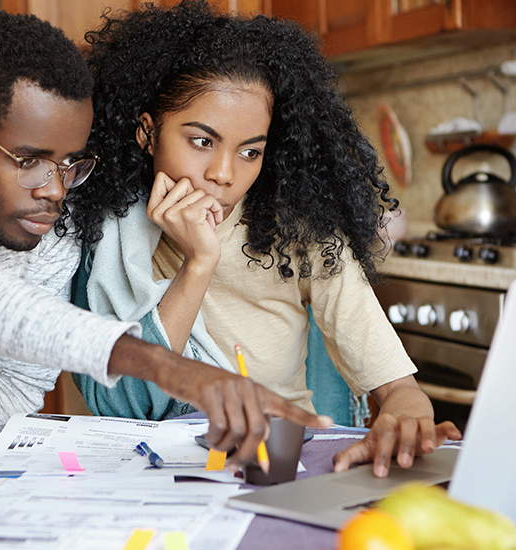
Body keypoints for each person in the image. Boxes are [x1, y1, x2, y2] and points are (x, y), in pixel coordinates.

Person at [0, 10, 327, 462]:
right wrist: (163, 366)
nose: (54, 190)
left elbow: (14, 391)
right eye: (29, 160)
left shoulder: (52, 232)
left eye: (70, 163)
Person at [67, 1, 461, 477]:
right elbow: (123, 405)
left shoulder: (299, 233)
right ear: (149, 133)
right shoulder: (102, 232)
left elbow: (398, 389)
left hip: (280, 465)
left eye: (250, 151)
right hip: (157, 471)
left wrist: (406, 417)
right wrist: (199, 263)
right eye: (201, 141)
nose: (223, 174)